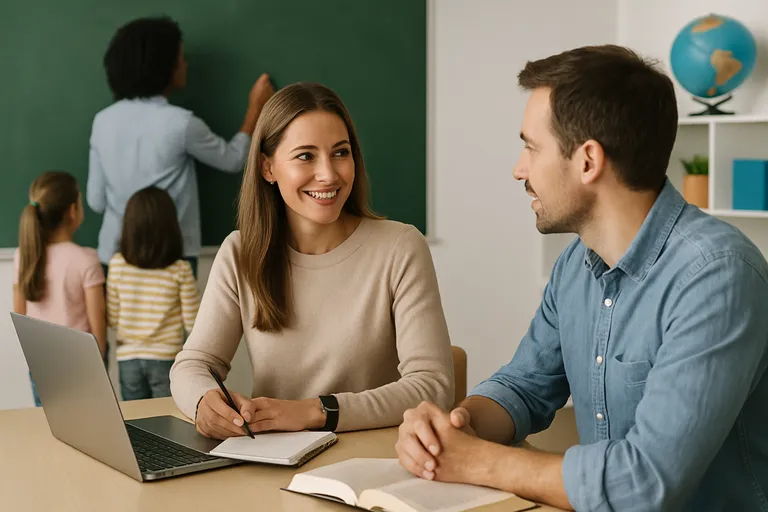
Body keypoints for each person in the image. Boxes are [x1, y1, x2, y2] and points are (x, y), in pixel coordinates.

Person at [395, 45, 768, 511]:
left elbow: (643, 482)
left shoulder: (717, 277)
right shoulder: (576, 264)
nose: (519, 169)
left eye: (532, 148)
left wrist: (476, 461)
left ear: (588, 161)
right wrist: (451, 428)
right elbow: (524, 386)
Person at [170, 82, 454, 438]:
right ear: (268, 168)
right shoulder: (240, 252)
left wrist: (316, 411)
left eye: (340, 153)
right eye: (306, 156)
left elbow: (433, 386)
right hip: (273, 458)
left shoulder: (400, 247)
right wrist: (203, 401)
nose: (329, 174)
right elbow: (193, 364)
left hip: (372, 457)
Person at [86, 16, 275, 277]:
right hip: (172, 256)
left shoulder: (102, 121)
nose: (185, 64)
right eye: (179, 58)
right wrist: (256, 108)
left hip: (115, 254)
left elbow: (96, 202)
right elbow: (233, 160)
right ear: (163, 66)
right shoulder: (181, 123)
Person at [12, 171, 106, 406]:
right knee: (84, 423)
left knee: (50, 423)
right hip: (80, 364)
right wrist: (101, 365)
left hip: (41, 363)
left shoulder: (23, 256)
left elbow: (19, 315)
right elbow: (98, 327)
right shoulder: (86, 259)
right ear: (73, 211)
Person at [107, 186, 199, 401]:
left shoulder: (118, 265)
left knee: (136, 419)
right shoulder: (180, 269)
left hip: (128, 358)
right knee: (165, 416)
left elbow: (112, 318)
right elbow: (193, 323)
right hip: (166, 357)